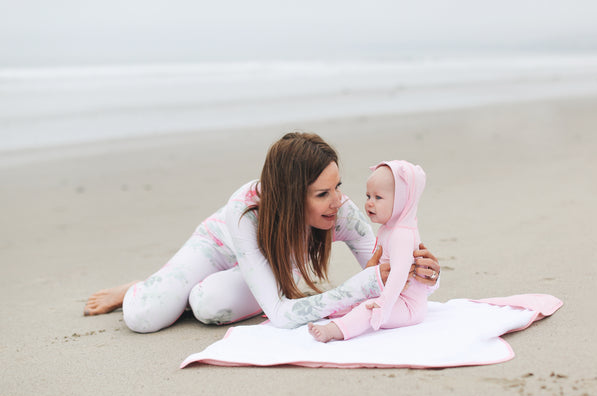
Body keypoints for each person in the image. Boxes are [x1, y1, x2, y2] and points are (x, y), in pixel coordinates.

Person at [84, 133, 441, 332]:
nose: (337, 202)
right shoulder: (244, 210)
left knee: (209, 305)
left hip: (273, 263)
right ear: (289, 196)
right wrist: (363, 285)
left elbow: (390, 269)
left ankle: (182, 293)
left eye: (337, 187)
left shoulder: (341, 212)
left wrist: (423, 275)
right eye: (321, 194)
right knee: (144, 317)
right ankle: (141, 287)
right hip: (218, 248)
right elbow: (283, 314)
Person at [308, 160, 435, 342]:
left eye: (378, 198)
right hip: (392, 297)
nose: (369, 203)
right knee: (354, 302)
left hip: (408, 306)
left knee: (368, 309)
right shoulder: (387, 229)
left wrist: (384, 304)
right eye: (368, 196)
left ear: (401, 201)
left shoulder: (402, 234)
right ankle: (334, 314)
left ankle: (334, 331)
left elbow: (400, 274)